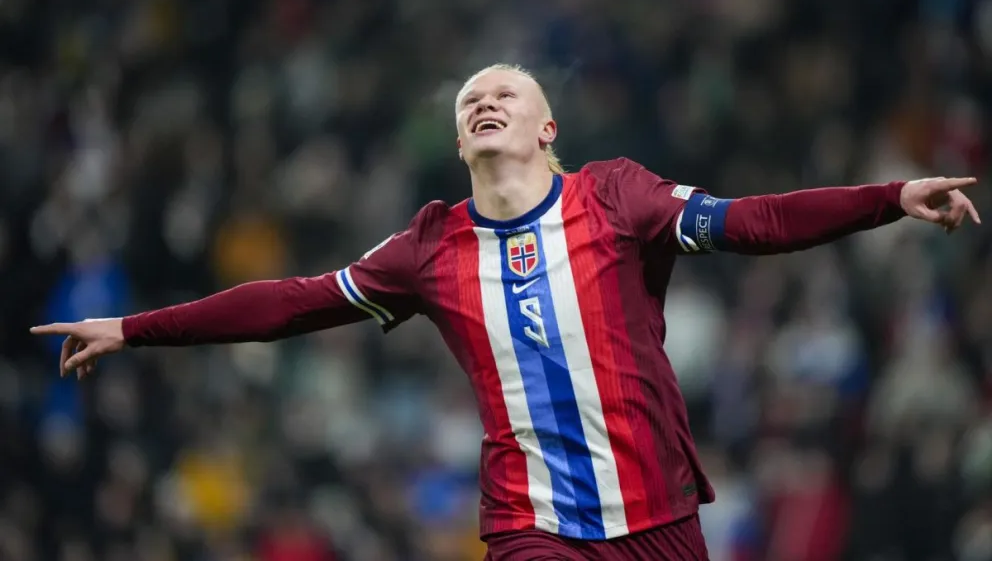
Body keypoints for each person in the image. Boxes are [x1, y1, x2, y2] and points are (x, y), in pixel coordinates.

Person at [32, 64, 980, 561]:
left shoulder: (619, 197)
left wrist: (888, 196)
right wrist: (133, 326)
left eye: (506, 93)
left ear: (546, 127)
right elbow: (291, 302)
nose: (486, 101)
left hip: (659, 517)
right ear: (458, 137)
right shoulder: (426, 247)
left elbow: (756, 220)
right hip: (534, 528)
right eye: (471, 98)